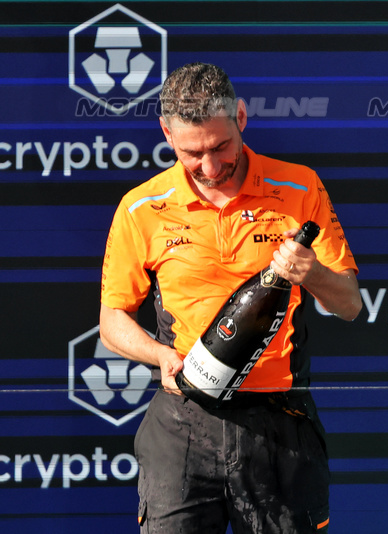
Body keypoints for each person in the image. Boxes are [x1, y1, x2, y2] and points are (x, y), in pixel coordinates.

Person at [98, 62, 361, 534]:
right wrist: (160, 355)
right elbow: (113, 320)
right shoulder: (141, 207)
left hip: (281, 423)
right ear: (166, 133)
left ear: (241, 117)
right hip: (183, 424)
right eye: (192, 153)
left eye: (221, 147)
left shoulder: (300, 187)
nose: (211, 167)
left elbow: (349, 304)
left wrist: (314, 272)